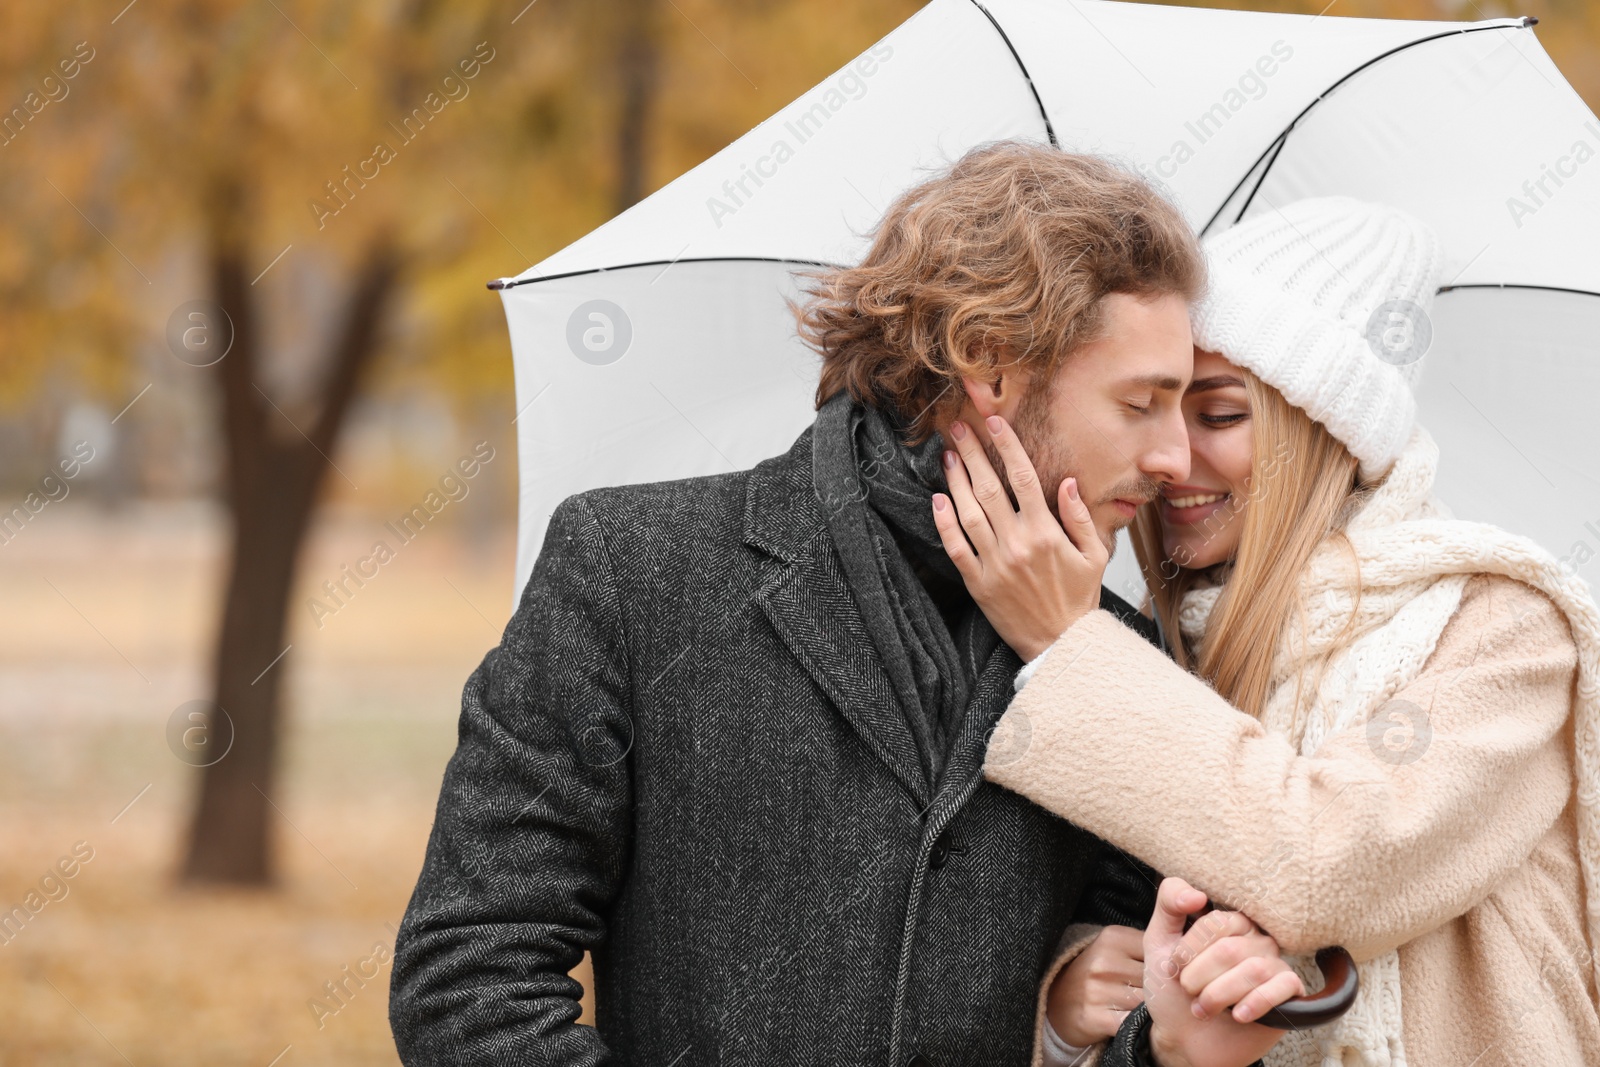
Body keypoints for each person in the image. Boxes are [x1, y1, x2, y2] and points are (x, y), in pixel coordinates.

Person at [388, 140, 1301, 1067]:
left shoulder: (1112, 661)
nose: (1174, 460)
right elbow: (469, 982)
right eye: (1142, 403)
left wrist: (1169, 1051)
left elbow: (1114, 1028)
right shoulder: (632, 569)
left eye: (1188, 410)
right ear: (990, 369)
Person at [932, 195, 1600, 1065]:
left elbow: (1327, 866)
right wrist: (1068, 1008)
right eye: (1148, 408)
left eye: (1216, 415)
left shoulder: (1505, 629)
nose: (1170, 458)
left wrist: (1068, 644)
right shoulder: (1157, 656)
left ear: (1324, 434)